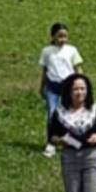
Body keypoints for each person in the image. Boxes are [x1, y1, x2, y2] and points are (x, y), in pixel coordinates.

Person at [38, 22, 83, 158]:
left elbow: (77, 68)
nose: (62, 39)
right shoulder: (47, 52)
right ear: (53, 37)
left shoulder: (72, 50)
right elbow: (45, 70)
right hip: (52, 87)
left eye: (65, 36)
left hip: (68, 88)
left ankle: (72, 141)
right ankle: (51, 143)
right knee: (52, 114)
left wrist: (82, 85)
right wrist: (41, 87)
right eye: (59, 36)